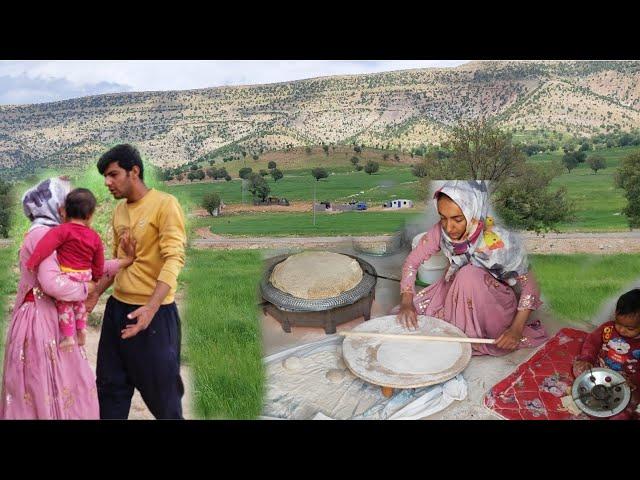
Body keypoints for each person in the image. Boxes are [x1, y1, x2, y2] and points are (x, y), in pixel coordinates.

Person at [0, 177, 134, 419]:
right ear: (55, 206)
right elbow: (54, 283)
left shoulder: (54, 233)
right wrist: (88, 290)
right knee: (49, 387)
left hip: (48, 318)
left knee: (60, 386)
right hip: (42, 321)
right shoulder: (44, 235)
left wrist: (124, 262)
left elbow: (79, 269)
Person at [396, 180, 548, 356]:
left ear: (472, 213)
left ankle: (472, 329)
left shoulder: (501, 242)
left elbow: (531, 284)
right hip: (454, 289)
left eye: (457, 219)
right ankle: (457, 319)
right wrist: (406, 301)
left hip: (492, 301)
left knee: (467, 274)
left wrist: (516, 328)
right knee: (408, 317)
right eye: (443, 218)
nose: (449, 227)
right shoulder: (441, 231)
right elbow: (411, 262)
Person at [92, 144, 187, 419]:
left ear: (134, 171)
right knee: (110, 391)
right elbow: (118, 262)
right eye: (105, 177)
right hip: (117, 309)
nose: (108, 183)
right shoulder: (119, 211)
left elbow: (174, 259)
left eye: (113, 174)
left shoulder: (165, 204)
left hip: (153, 316)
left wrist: (151, 308)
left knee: (164, 399)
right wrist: (95, 293)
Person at [25, 188, 104, 348]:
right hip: (85, 276)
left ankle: (68, 336)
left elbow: (44, 247)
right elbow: (99, 260)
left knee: (65, 304)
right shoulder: (94, 236)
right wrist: (96, 278)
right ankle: (81, 329)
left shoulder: (61, 231)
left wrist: (33, 262)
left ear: (65, 211)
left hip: (68, 275)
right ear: (89, 215)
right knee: (80, 303)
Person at [573, 288, 640, 420]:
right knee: (578, 369)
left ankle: (623, 413)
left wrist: (633, 381)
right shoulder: (608, 329)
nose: (621, 330)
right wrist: (587, 359)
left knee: (631, 401)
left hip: (626, 381)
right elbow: (592, 342)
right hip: (600, 369)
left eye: (630, 328)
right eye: (618, 323)